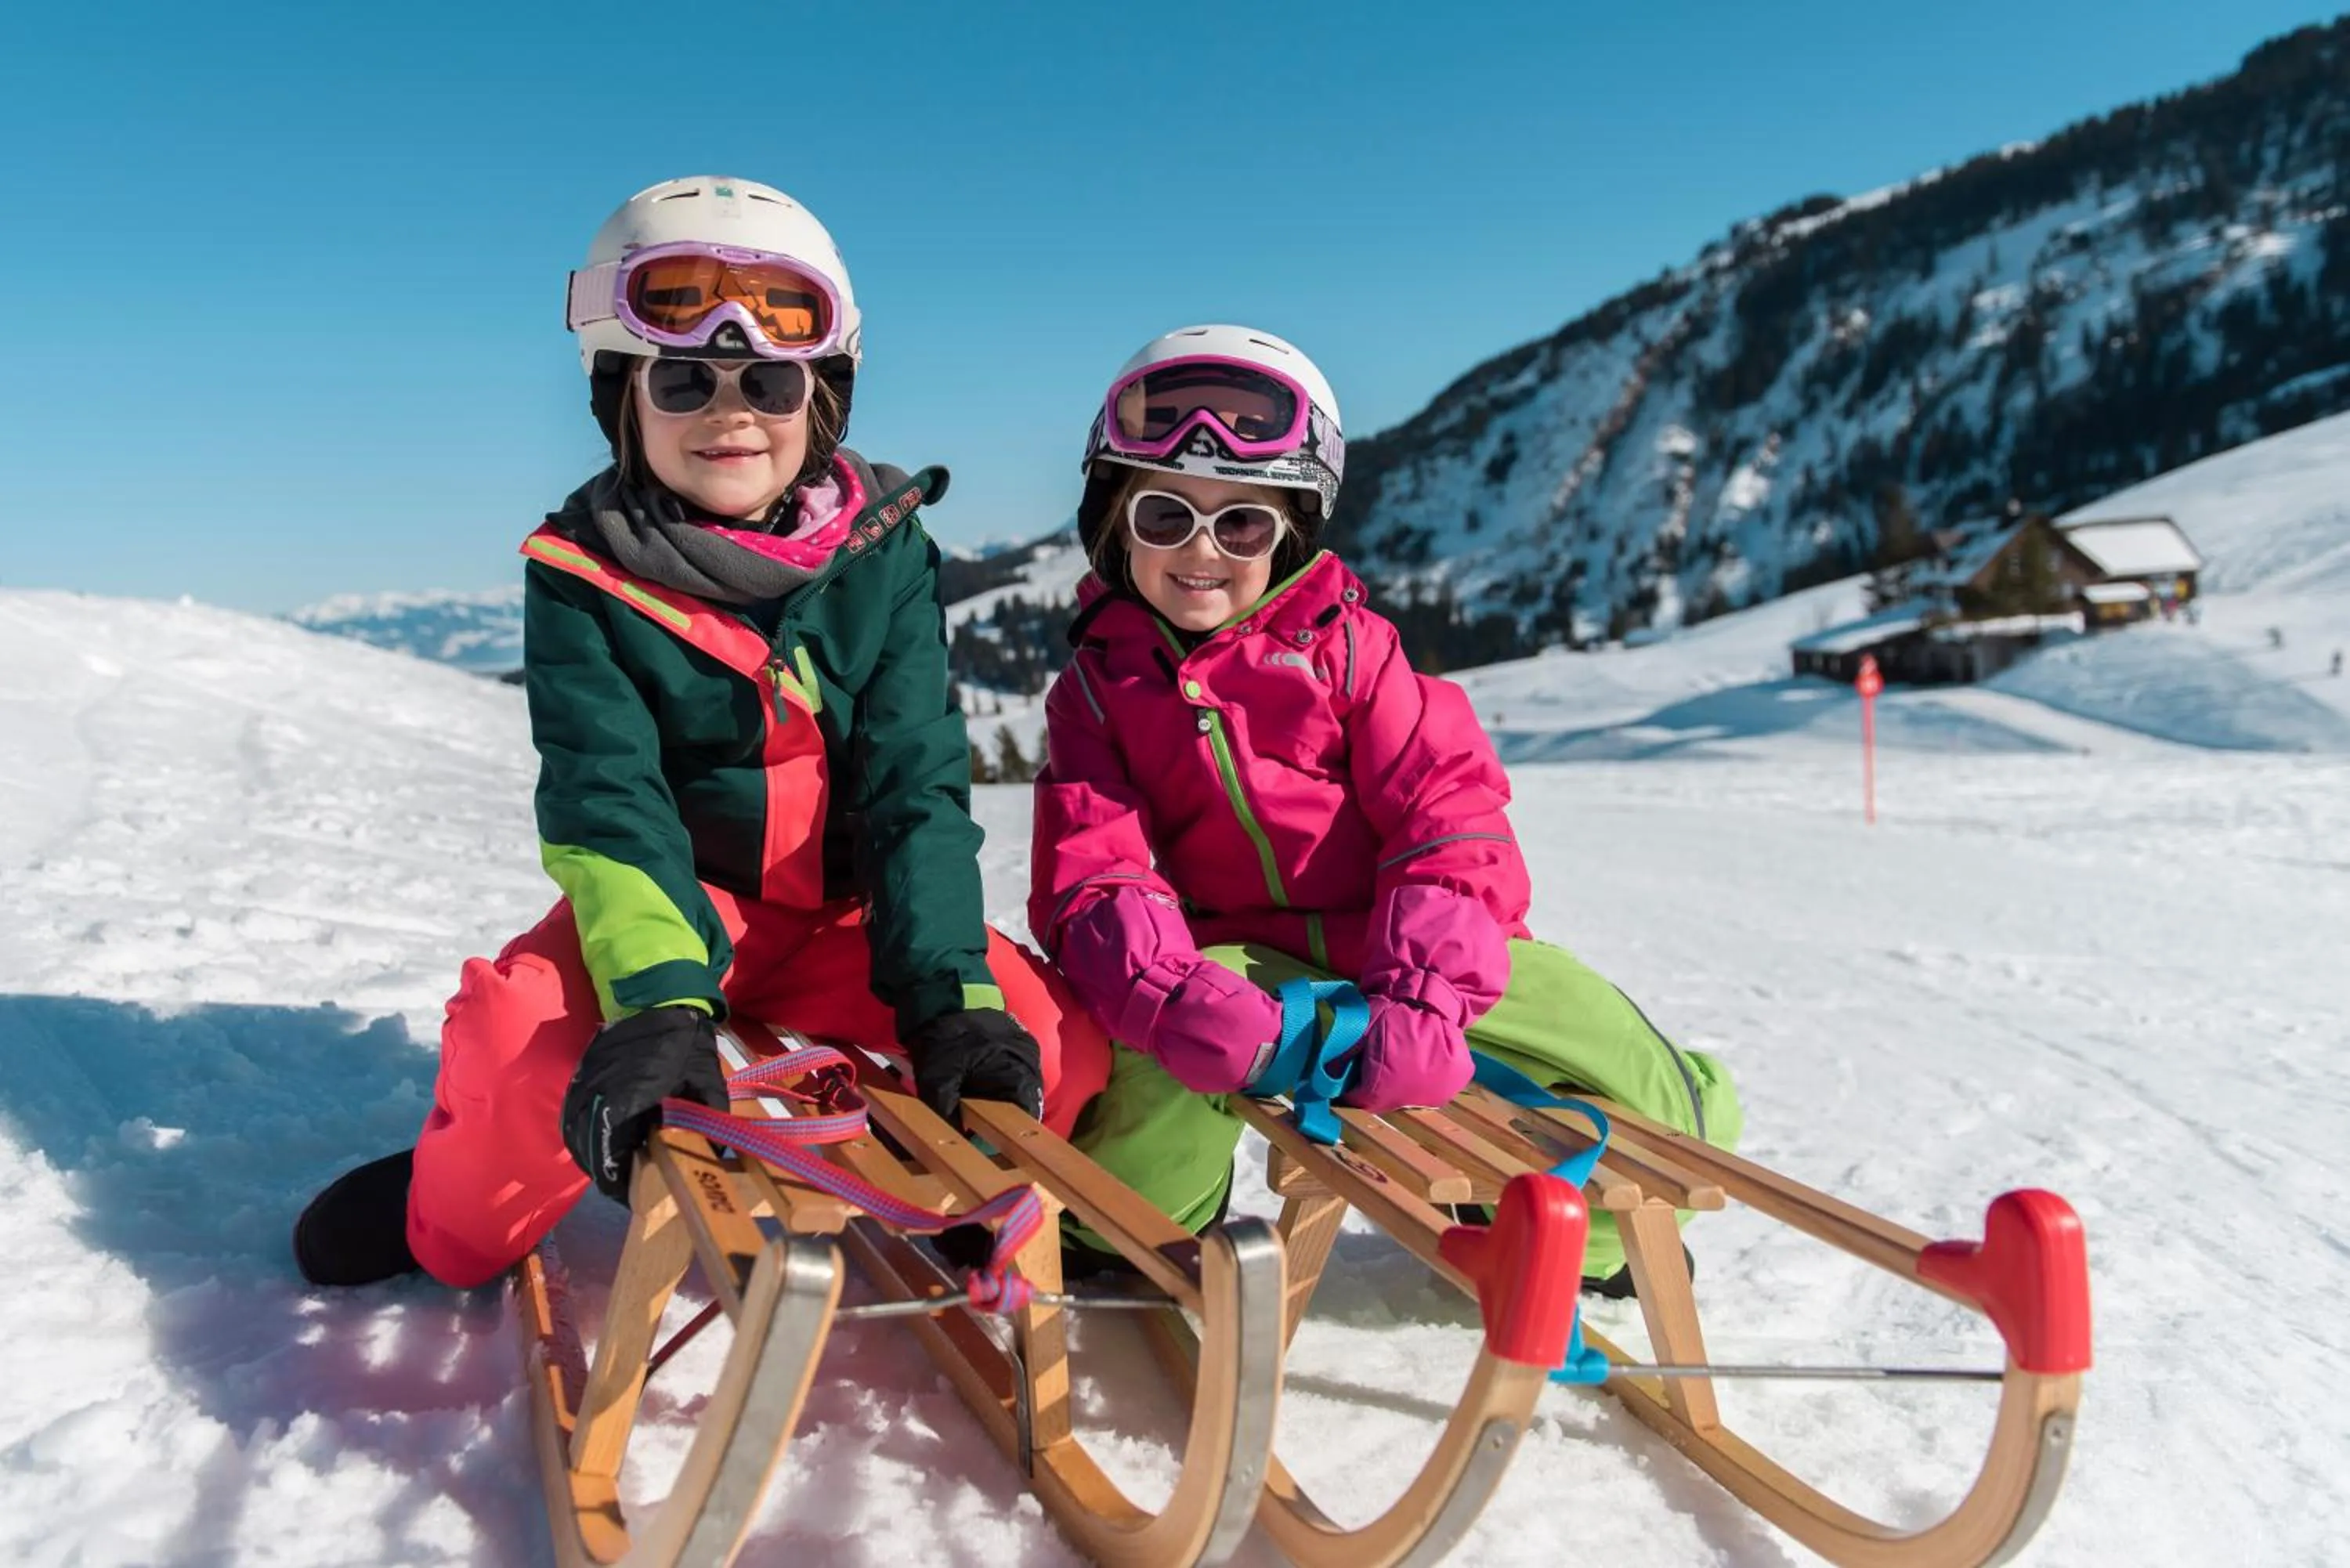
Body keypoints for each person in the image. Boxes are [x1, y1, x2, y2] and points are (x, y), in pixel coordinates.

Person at [294, 178, 1109, 1288]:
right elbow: (607, 798)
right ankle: (447, 1210)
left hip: (839, 916)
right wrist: (659, 999)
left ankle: (932, 1201)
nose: (732, 411)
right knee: (519, 1040)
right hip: (688, 904)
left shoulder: (886, 557)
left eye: (771, 380)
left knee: (1042, 1042)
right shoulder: (582, 574)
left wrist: (948, 996)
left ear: (821, 398)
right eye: (684, 379)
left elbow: (917, 784)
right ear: (622, 396)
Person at [1027, 326, 1741, 1291]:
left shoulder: (1353, 652)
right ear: (1115, 524)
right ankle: (1122, 1239)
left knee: (1620, 1058)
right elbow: (1094, 868)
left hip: (1404, 945)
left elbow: (1450, 818)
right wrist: (1169, 994)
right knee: (1168, 1054)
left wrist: (1426, 993)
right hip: (1240, 955)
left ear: (1290, 532)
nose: (1201, 552)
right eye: (1165, 518)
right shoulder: (1098, 693)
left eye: (1240, 525)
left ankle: (1596, 1245)